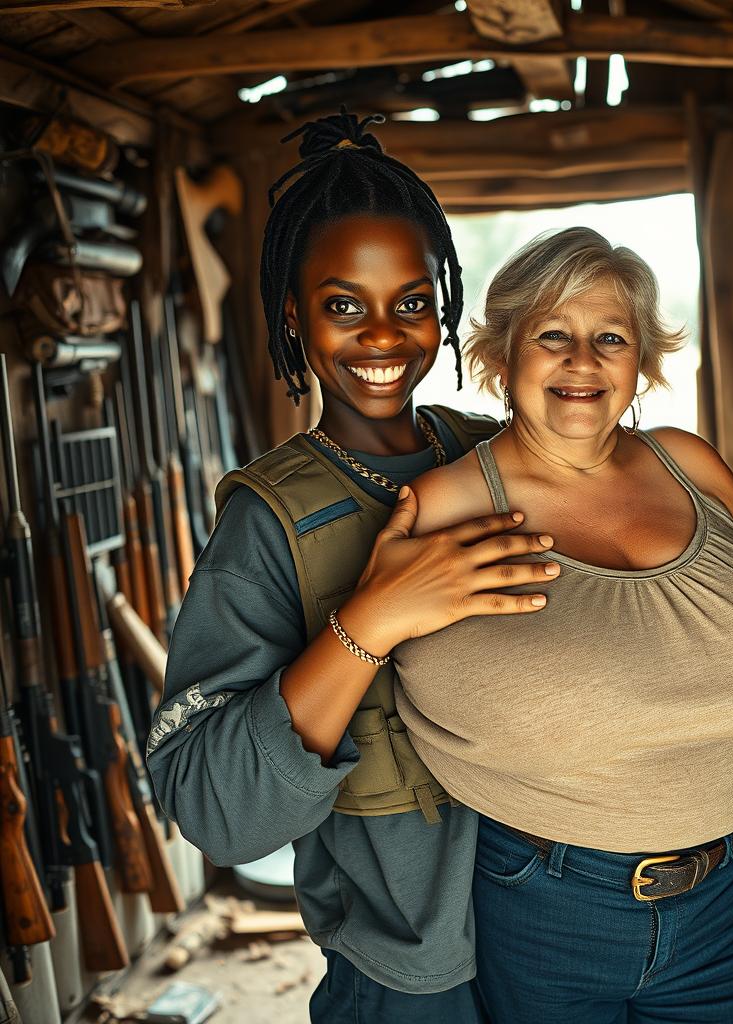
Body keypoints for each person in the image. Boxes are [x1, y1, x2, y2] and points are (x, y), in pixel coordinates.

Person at [146, 111, 559, 1023]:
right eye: (344, 304)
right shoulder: (268, 524)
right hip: (412, 979)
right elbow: (213, 809)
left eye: (412, 300)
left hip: (569, 938)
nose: (383, 335)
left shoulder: (502, 457)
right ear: (293, 313)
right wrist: (369, 622)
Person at [392, 226, 733, 1024]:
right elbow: (360, 676)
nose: (583, 360)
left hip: (723, 899)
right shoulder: (442, 509)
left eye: (610, 337)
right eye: (552, 335)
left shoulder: (694, 466)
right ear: (500, 357)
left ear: (641, 362)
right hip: (544, 905)